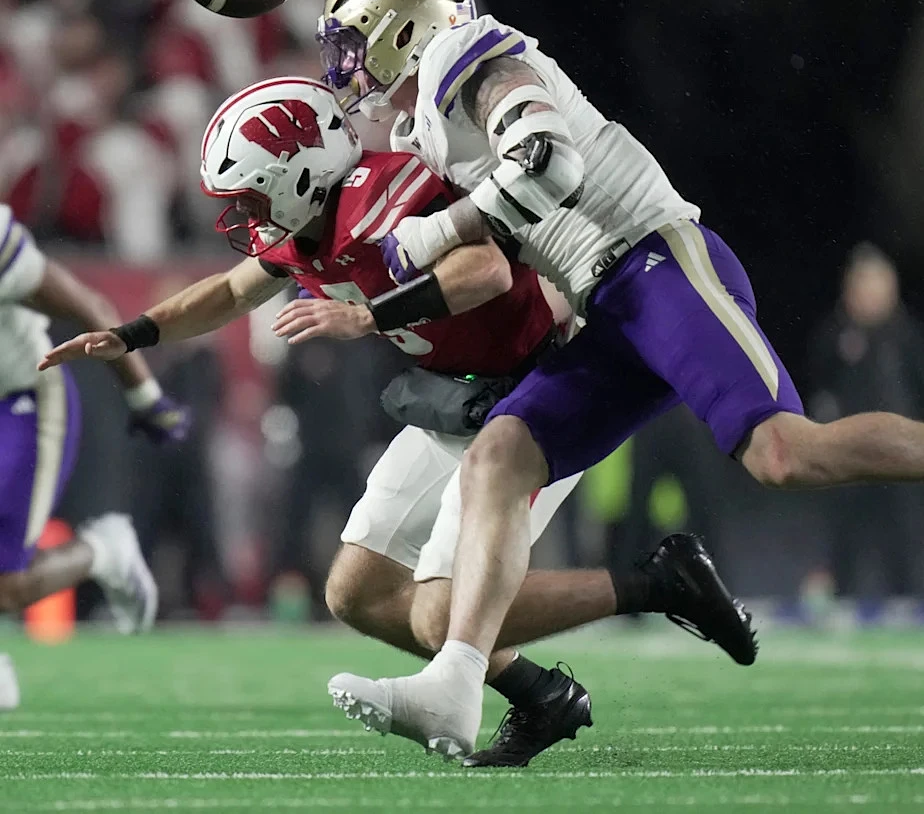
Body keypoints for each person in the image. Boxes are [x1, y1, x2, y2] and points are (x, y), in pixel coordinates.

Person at [301, 0, 924, 760]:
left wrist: (442, 230)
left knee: (785, 454)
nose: (348, 65)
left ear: (406, 29)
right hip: (607, 304)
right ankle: (457, 685)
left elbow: (548, 158)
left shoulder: (465, 56)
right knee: (498, 459)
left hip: (657, 262)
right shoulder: (424, 125)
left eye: (357, 43)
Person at [40, 77, 755, 765]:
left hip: (538, 394)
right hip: (460, 396)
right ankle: (541, 696)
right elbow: (230, 291)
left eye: (252, 196)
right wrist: (132, 334)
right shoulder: (304, 227)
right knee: (357, 594)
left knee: (441, 612)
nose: (245, 217)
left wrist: (368, 316)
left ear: (298, 174)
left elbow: (485, 270)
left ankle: (659, 584)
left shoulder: (386, 193)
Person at [0, 202, 188, 709]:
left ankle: (103, 550)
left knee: (6, 586)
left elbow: (90, 307)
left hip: (20, 399)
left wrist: (145, 397)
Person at [805, 245, 924, 601]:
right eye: (865, 287)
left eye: (880, 287)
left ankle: (908, 603)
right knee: (844, 535)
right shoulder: (835, 334)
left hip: (897, 455)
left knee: (903, 536)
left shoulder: (905, 335)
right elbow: (817, 381)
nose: (872, 296)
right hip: (848, 454)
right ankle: (839, 600)